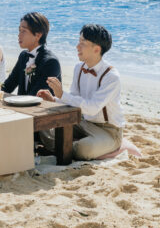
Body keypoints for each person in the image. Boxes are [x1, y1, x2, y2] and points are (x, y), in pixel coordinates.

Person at [39, 24, 124, 160]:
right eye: (78, 42)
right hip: (82, 122)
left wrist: (62, 94)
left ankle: (64, 147)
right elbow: (74, 98)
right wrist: (54, 100)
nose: (77, 47)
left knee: (86, 148)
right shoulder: (79, 68)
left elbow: (91, 108)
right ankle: (67, 147)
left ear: (97, 49)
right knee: (43, 126)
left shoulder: (111, 76)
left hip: (108, 130)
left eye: (82, 43)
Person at [2, 12, 61, 97]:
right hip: (23, 108)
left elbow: (36, 96)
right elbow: (8, 85)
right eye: (19, 30)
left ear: (38, 35)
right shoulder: (23, 56)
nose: (19, 35)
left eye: (23, 31)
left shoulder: (51, 62)